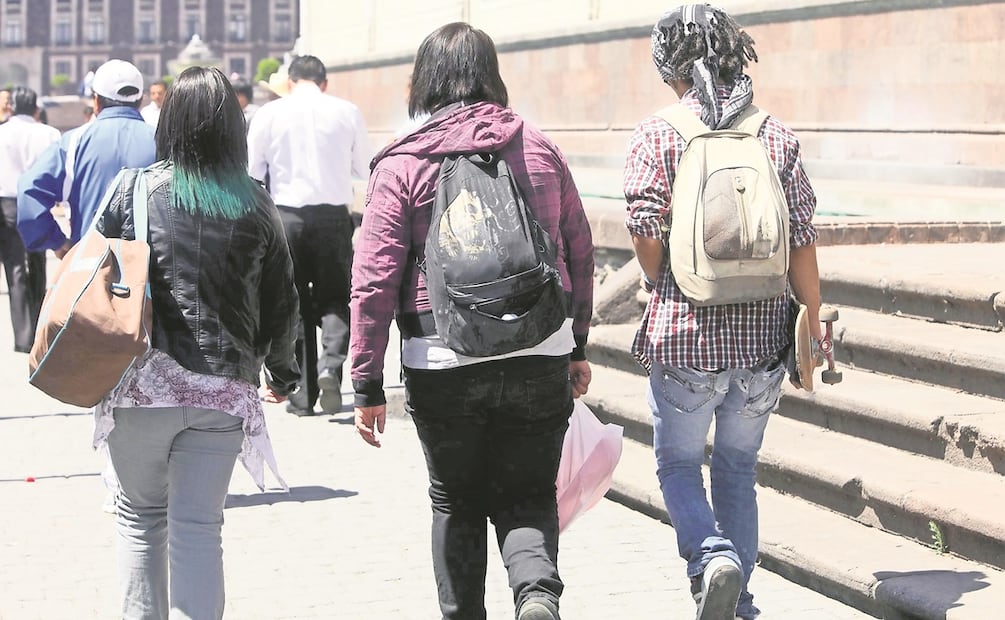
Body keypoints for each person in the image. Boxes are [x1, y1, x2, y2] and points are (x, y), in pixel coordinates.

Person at [351, 23, 595, 620]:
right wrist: (578, 344)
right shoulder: (538, 148)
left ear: (426, 80)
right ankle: (536, 595)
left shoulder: (402, 163)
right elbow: (580, 249)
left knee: (454, 499)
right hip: (540, 346)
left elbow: (375, 278)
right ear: (491, 73)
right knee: (528, 494)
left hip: (442, 359)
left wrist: (364, 380)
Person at [624, 5, 821, 620]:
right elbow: (804, 238)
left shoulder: (659, 134)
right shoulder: (774, 133)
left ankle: (712, 559)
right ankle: (741, 601)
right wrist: (812, 323)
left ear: (669, 62)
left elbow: (644, 228)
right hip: (764, 341)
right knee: (737, 467)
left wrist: (665, 281)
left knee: (678, 462)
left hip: (688, 336)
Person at [92, 66, 300, 619]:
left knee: (140, 520)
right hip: (223, 393)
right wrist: (283, 373)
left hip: (141, 388)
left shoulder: (133, 190)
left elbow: (88, 276)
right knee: (200, 530)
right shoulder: (256, 203)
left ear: (168, 124)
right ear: (233, 127)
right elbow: (282, 299)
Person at [248, 54, 370, 416]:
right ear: (324, 82)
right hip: (333, 216)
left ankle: (303, 394)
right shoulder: (346, 111)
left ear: (289, 81)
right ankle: (332, 364)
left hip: (285, 217)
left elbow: (253, 172)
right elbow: (364, 167)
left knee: (293, 304)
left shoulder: (268, 115)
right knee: (337, 296)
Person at [17, 59, 156, 257]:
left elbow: (29, 190)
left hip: (90, 265)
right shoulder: (162, 139)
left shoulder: (74, 141)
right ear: (141, 99)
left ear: (96, 101)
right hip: (150, 268)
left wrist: (56, 241)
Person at [0, 86, 60, 352]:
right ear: (36, 108)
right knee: (37, 263)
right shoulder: (48, 133)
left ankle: (23, 337)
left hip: (7, 202)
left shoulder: (2, 133)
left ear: (11, 106)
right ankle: (38, 329)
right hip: (38, 200)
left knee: (15, 269)